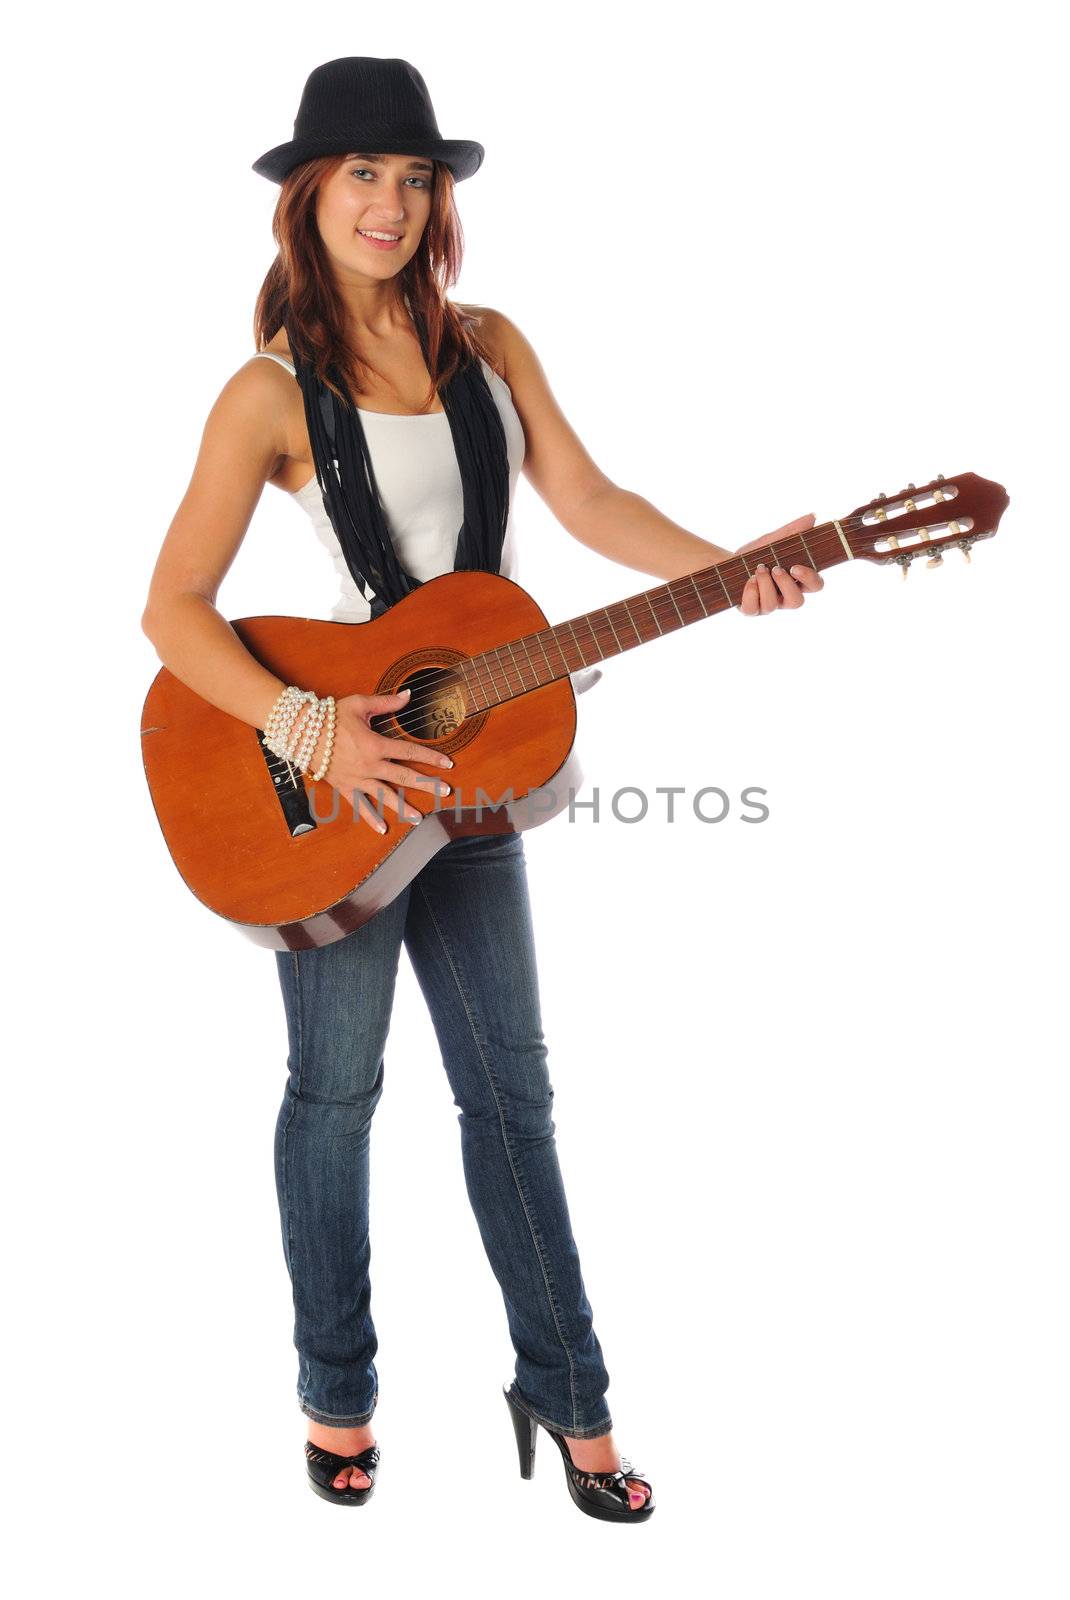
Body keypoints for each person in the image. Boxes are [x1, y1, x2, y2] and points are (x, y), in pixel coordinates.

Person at [140, 56, 823, 1521]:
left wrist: (728, 568)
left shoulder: (492, 344)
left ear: (439, 197)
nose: (391, 203)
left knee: (512, 1100)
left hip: (478, 783)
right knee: (335, 1095)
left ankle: (567, 1395)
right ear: (309, 198)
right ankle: (336, 1392)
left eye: (414, 175)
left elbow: (587, 503)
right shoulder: (269, 392)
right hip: (340, 801)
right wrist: (312, 733)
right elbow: (174, 614)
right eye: (362, 175)